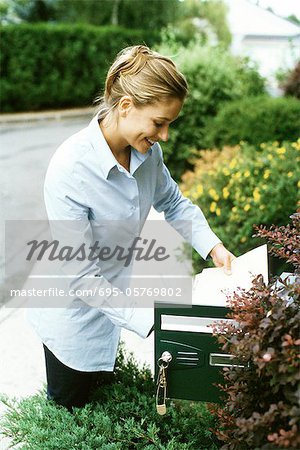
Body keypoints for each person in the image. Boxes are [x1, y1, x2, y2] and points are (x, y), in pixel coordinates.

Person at [28, 45, 235, 411]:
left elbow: (172, 202)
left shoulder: (147, 153)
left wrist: (213, 247)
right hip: (70, 318)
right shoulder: (70, 169)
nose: (165, 136)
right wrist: (153, 322)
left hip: (113, 307)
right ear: (126, 106)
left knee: (107, 410)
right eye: (159, 123)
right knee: (72, 419)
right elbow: (81, 277)